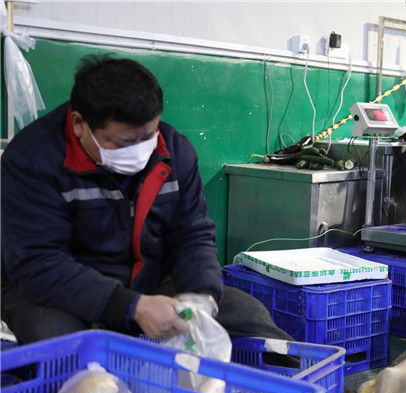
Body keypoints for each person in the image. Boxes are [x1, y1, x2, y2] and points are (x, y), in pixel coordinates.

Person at [1, 55, 293, 346]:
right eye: (125, 142)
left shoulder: (174, 151)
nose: (139, 150)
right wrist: (131, 306)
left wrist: (200, 294)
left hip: (148, 282)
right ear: (79, 124)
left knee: (247, 314)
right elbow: (38, 263)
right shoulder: (32, 160)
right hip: (59, 291)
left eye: (149, 135)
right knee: (62, 344)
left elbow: (191, 234)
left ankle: (301, 375)